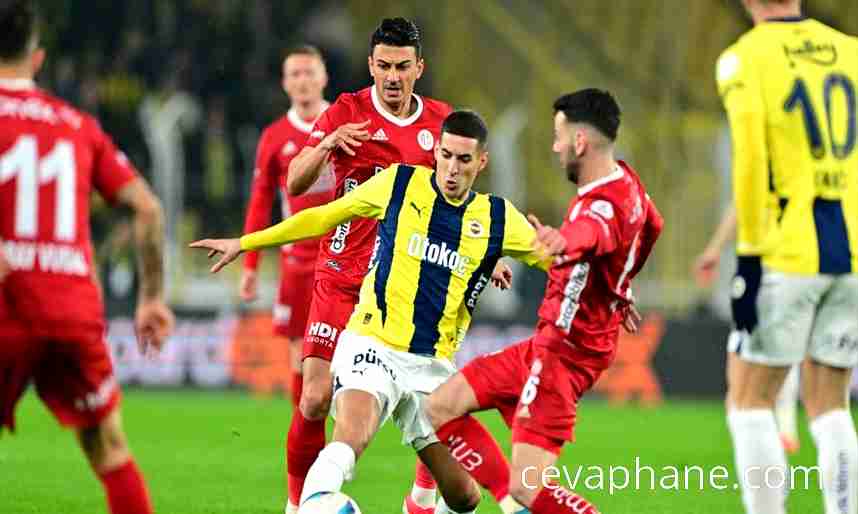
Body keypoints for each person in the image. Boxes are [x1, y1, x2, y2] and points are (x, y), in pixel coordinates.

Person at [191, 110, 564, 514]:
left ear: (482, 162)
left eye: (464, 160)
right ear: (436, 151)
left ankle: (410, 504)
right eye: (446, 155)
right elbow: (321, 217)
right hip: (373, 346)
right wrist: (246, 243)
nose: (452, 169)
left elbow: (562, 265)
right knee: (353, 432)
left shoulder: (498, 217)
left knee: (464, 496)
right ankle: (314, 505)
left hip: (433, 369)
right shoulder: (398, 183)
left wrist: (615, 293)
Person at [280, 17, 519, 514]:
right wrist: (326, 144)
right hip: (345, 277)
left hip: (414, 287)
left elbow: (461, 202)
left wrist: (488, 254)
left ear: (419, 68)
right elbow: (295, 184)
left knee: (430, 396)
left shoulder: (441, 122)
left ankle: (422, 499)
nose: (392, 76)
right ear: (370, 65)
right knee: (314, 400)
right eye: (383, 66)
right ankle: (299, 505)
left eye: (402, 67)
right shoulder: (346, 111)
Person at [423, 90, 664, 514]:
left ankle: (520, 502)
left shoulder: (601, 206)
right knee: (440, 406)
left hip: (565, 357)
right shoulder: (627, 181)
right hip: (546, 343)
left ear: (580, 143)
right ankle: (507, 503)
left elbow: (590, 233)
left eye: (558, 135)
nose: (554, 146)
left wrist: (562, 241)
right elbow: (653, 224)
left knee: (530, 488)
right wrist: (620, 286)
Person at [0, 3, 174, 514]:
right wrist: (152, 299)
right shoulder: (76, 123)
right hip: (71, 308)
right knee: (110, 450)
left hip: (7, 307)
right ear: (38, 58)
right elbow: (148, 207)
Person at [716, 1, 858, 512]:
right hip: (852, 257)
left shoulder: (743, 59)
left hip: (787, 254)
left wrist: (748, 264)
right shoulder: (850, 51)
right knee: (829, 406)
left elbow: (751, 163)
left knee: (748, 400)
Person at [240, 44, 333, 415]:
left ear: (324, 77)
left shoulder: (345, 124)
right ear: (284, 83)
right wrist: (249, 268)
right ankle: (309, 444)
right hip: (297, 261)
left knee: (346, 354)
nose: (303, 80)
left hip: (345, 256)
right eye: (295, 74)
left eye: (310, 72)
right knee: (299, 352)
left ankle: (344, 439)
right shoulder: (275, 137)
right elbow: (260, 203)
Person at [693, 206, 801, 455]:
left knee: (742, 391)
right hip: (811, 266)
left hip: (765, 266)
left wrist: (714, 249)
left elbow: (742, 204)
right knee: (792, 348)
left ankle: (766, 441)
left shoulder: (761, 167)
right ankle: (786, 427)